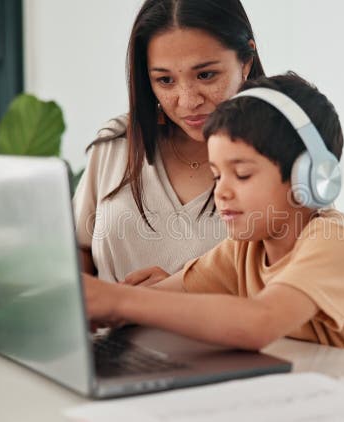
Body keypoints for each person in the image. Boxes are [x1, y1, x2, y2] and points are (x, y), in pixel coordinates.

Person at [83, 73, 344, 358]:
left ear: (311, 177)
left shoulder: (335, 242)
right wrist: (103, 303)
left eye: (243, 175)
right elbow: (162, 298)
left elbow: (259, 322)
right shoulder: (244, 249)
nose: (221, 192)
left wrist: (119, 301)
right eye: (217, 176)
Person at [73, 0, 265, 284]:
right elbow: (79, 248)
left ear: (245, 61)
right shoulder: (118, 143)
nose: (188, 101)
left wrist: (177, 294)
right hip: (106, 329)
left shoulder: (283, 154)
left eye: (206, 75)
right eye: (165, 80)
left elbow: (299, 287)